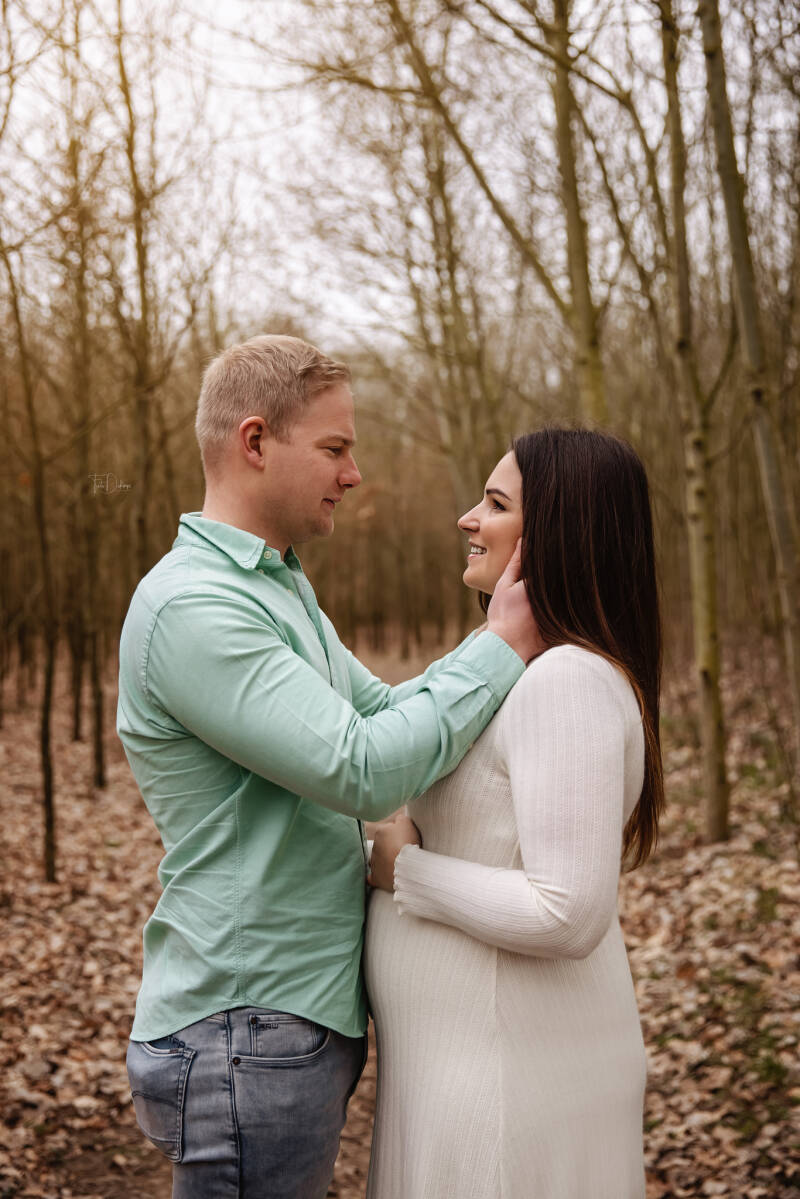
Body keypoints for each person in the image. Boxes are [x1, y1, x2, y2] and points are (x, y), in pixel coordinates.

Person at [116, 334, 542, 1199]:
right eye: (336, 448)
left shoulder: (275, 586)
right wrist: (502, 644)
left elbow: (381, 712)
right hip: (245, 1028)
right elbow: (363, 768)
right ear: (255, 441)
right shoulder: (194, 607)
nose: (353, 474)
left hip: (287, 1024)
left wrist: (494, 645)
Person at [366, 428, 664, 1199]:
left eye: (495, 504)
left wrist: (406, 869)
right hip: (466, 1069)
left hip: (512, 1087)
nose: (468, 518)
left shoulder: (567, 681)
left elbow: (568, 909)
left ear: (559, 534)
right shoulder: (520, 670)